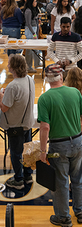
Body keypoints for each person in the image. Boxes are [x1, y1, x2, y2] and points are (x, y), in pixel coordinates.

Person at [38, 63, 82, 226]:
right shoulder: (74, 92)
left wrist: (42, 150)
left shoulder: (45, 98)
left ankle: (63, 217)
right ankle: (80, 212)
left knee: (60, 183)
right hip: (78, 141)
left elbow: (45, 126)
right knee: (78, 179)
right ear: (61, 76)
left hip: (58, 146)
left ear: (47, 79)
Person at [0, 55, 35, 190]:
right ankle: (28, 175)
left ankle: (18, 180)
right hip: (28, 123)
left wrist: (1, 95)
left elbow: (4, 107)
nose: (7, 66)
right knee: (27, 152)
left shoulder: (13, 86)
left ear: (13, 67)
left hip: (15, 125)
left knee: (16, 153)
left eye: (9, 64)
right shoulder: (29, 80)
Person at [24, 0, 40, 73]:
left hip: (34, 29)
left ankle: (37, 63)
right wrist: (34, 33)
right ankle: (29, 67)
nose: (36, 3)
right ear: (31, 2)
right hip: (30, 31)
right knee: (29, 50)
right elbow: (28, 23)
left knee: (36, 47)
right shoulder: (28, 11)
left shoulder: (33, 9)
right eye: (34, 1)